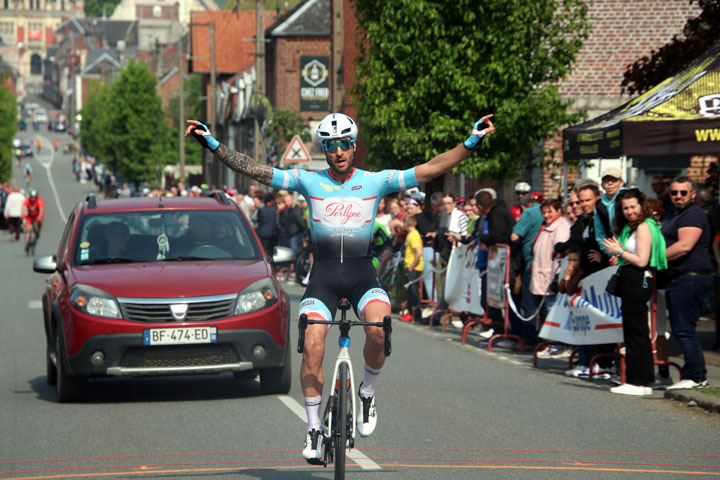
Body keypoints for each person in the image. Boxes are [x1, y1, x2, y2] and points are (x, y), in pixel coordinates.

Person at [186, 111, 495, 462]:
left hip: (363, 276)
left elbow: (432, 168)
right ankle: (314, 426)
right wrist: (212, 144)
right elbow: (255, 170)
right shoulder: (308, 180)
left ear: (354, 145)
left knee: (379, 328)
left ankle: (367, 391)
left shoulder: (376, 181)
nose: (339, 152)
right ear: (325, 149)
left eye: (345, 144)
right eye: (331, 146)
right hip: (324, 279)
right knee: (314, 344)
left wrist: (471, 141)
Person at [602, 189, 667, 396]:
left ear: (642, 206)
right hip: (634, 279)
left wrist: (619, 251)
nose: (629, 211)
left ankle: (637, 382)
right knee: (635, 330)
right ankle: (642, 381)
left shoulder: (643, 227)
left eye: (633, 207)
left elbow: (641, 260)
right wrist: (621, 251)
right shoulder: (637, 226)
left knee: (635, 331)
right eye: (625, 208)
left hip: (638, 280)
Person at [661, 176, 713, 390]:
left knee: (684, 330)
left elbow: (684, 245)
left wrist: (655, 259)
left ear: (692, 194)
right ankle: (694, 374)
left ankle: (696, 376)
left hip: (690, 278)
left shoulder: (693, 214)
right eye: (674, 192)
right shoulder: (673, 214)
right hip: (677, 279)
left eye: (683, 192)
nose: (678, 196)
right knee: (682, 329)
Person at [594, 167, 626, 263]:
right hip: (613, 254)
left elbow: (633, 228)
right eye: (606, 180)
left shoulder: (628, 197)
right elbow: (600, 235)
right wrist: (612, 253)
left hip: (631, 251)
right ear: (602, 185)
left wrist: (622, 253)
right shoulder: (599, 205)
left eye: (614, 180)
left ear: (621, 183)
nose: (610, 183)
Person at [400, 214, 424, 322]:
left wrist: (412, 266)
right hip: (410, 266)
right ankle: (412, 312)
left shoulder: (413, 235)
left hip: (413, 267)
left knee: (413, 291)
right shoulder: (412, 234)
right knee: (410, 290)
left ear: (405, 223)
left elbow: (418, 252)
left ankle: (415, 313)